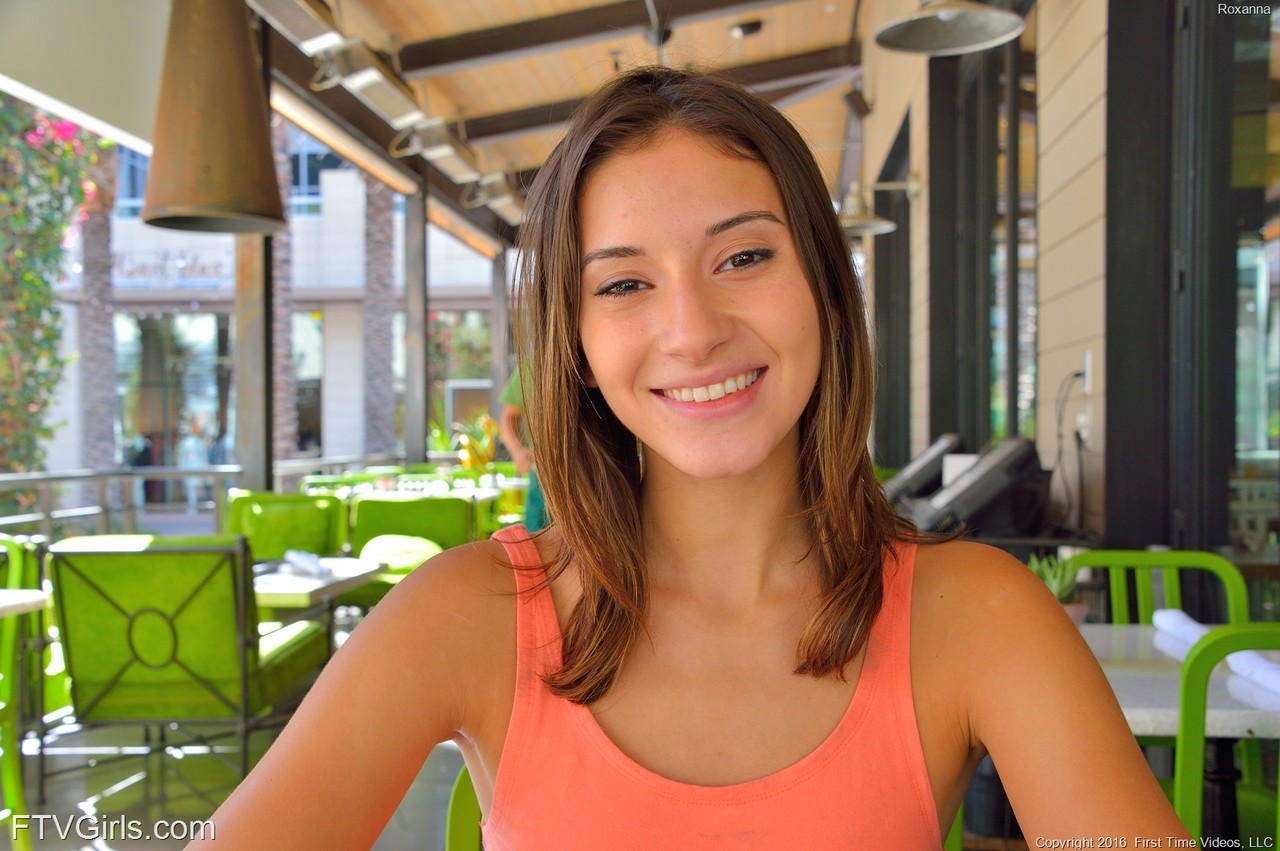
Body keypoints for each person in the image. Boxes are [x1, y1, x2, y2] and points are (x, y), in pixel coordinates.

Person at [192, 67, 1189, 848]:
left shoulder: (977, 617)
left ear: (825, 289)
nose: (693, 330)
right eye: (624, 284)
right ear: (577, 344)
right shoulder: (464, 616)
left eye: (743, 257)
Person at [496, 365, 548, 532]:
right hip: (542, 474)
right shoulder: (533, 364)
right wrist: (518, 451)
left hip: (598, 470)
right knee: (537, 536)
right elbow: (508, 416)